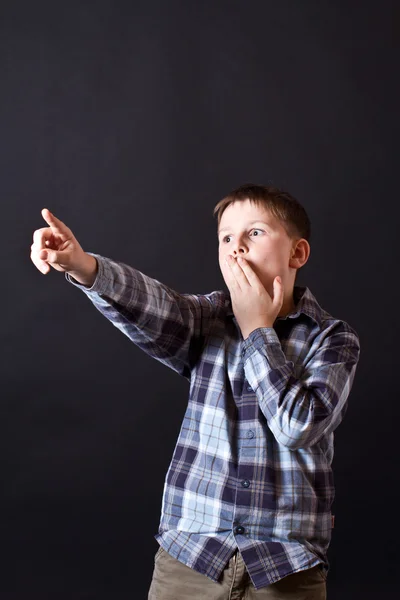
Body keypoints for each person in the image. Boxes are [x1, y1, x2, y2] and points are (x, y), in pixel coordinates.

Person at [30, 184, 360, 599]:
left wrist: (257, 330)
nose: (236, 247)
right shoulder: (207, 319)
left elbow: (298, 426)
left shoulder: (332, 338)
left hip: (286, 565)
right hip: (191, 558)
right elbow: (154, 306)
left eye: (254, 233)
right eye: (226, 237)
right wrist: (83, 265)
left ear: (296, 254)